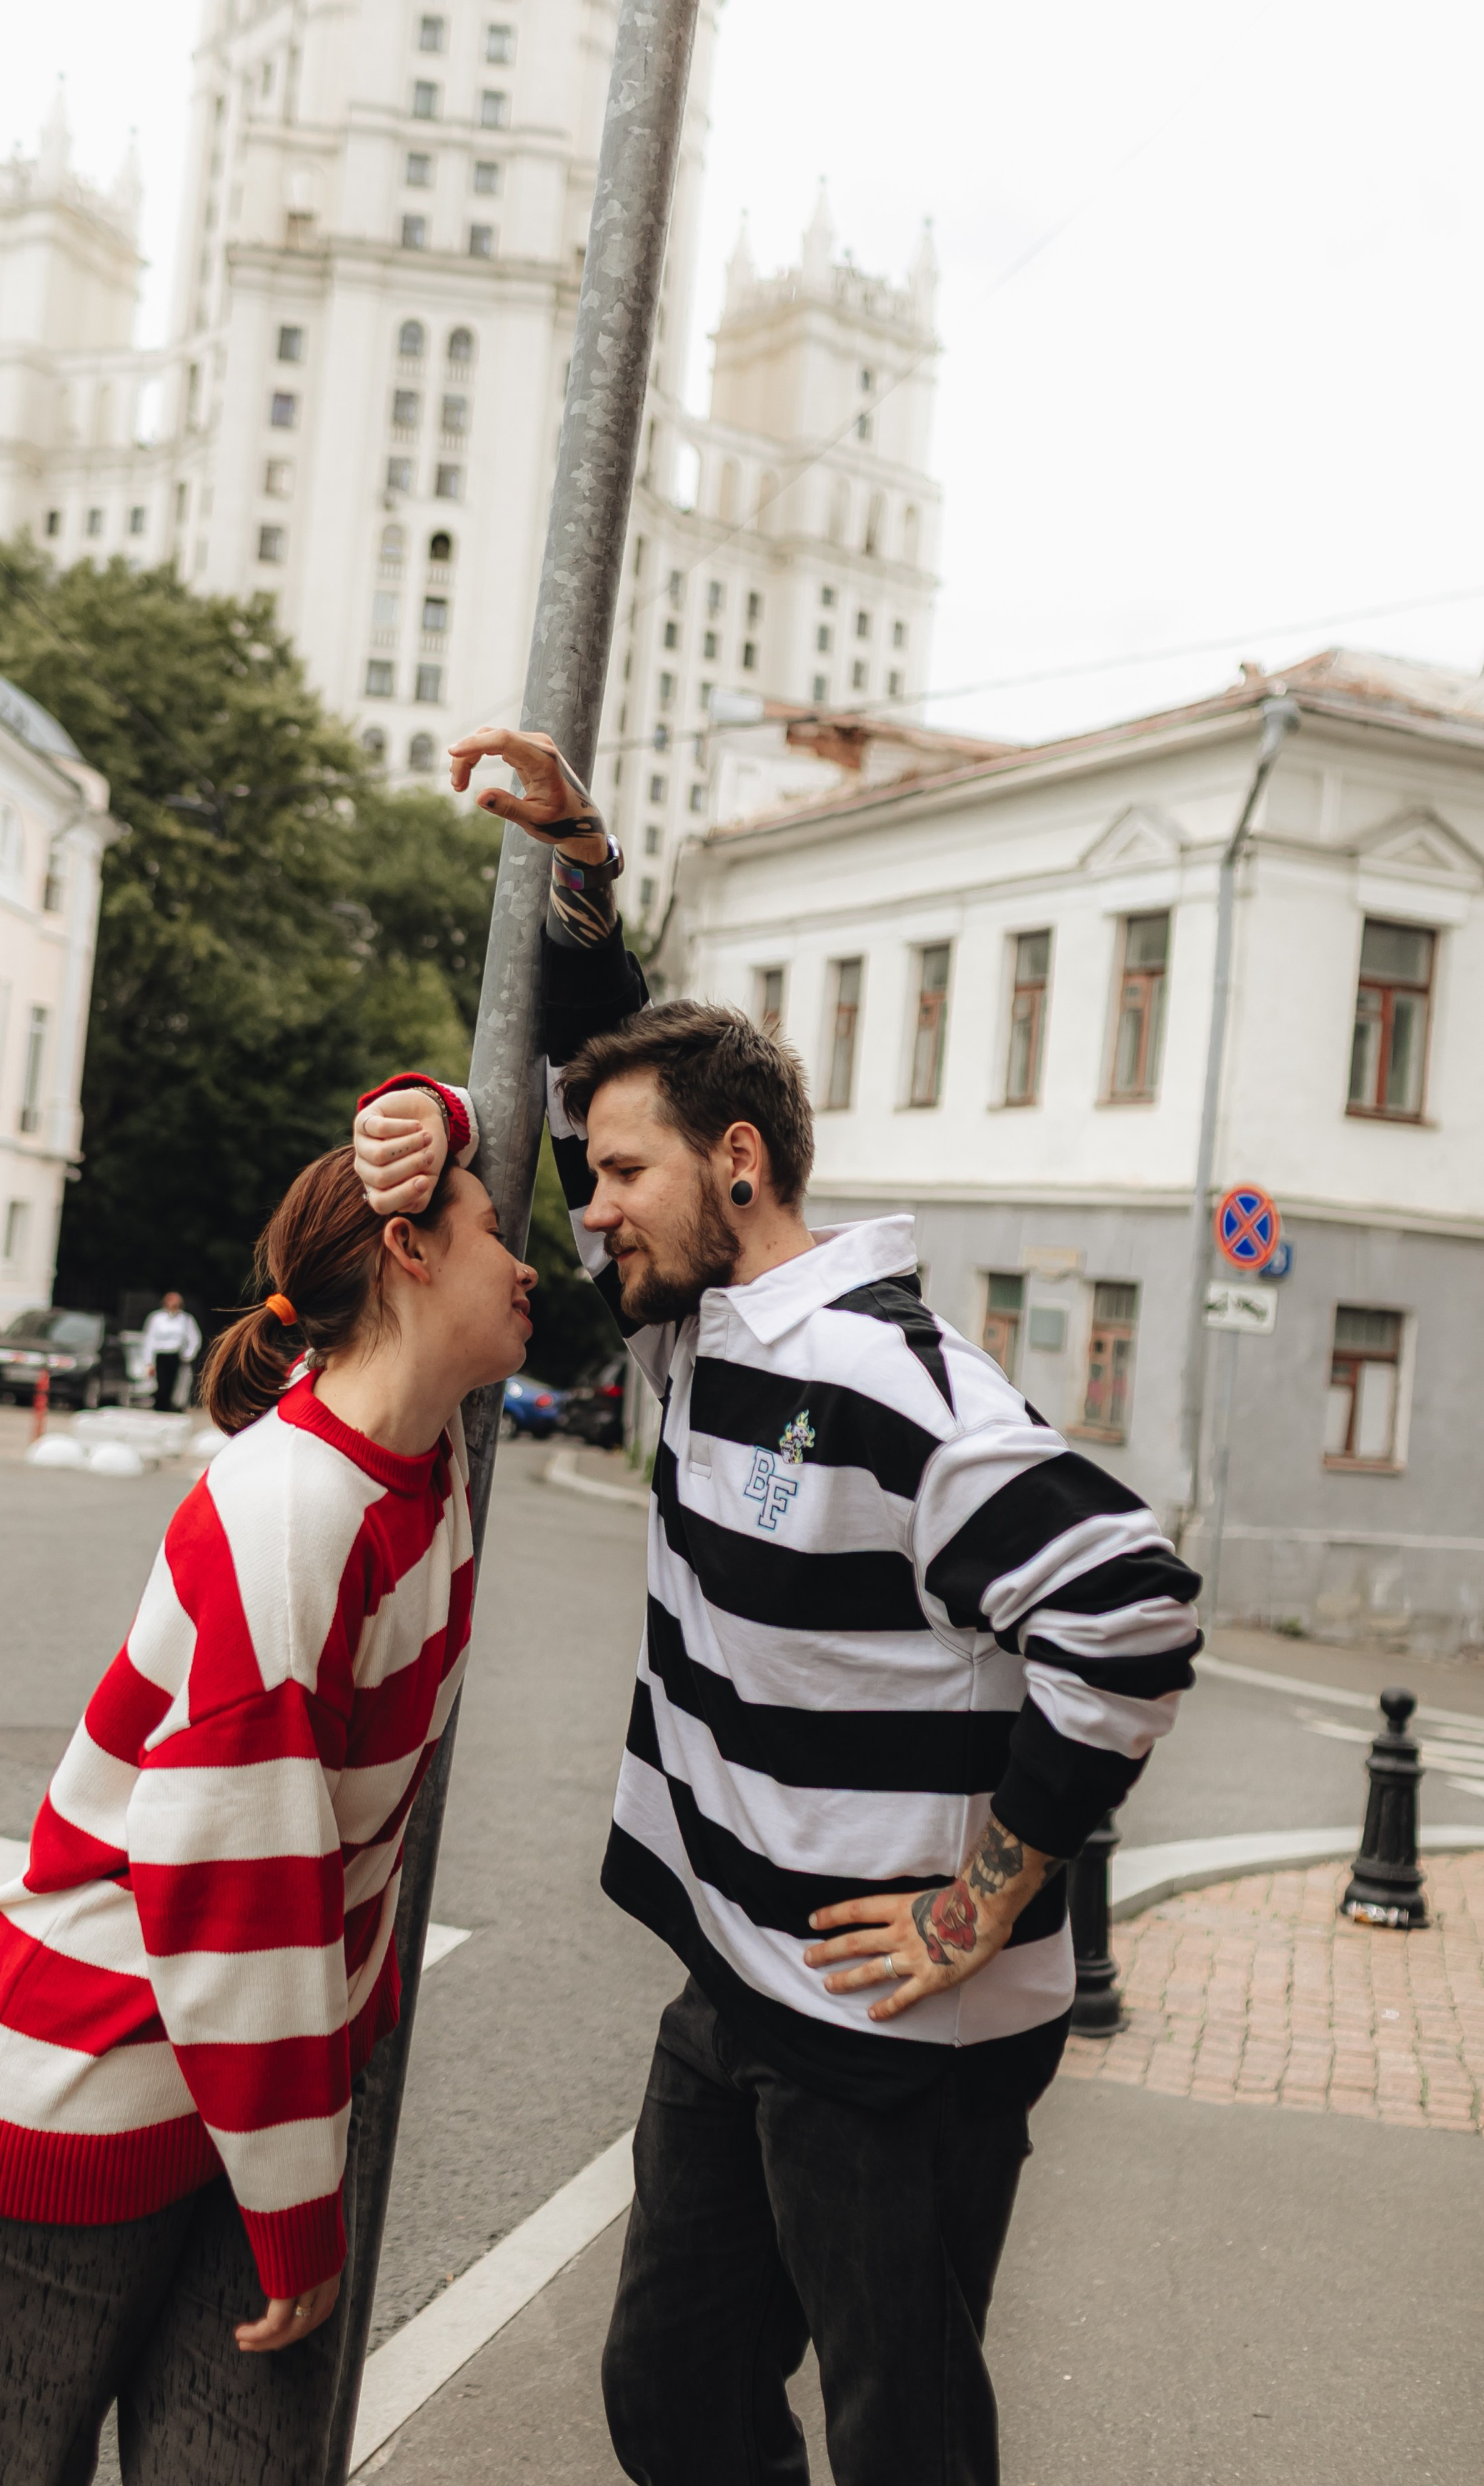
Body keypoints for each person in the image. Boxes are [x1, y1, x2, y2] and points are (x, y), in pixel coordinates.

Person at [355, 727, 1202, 2486]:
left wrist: (981, 1904)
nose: (588, 1212)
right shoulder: (693, 1335)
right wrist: (579, 862)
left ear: (738, 1166)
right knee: (670, 2392)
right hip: (738, 1989)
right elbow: (617, 1057)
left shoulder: (889, 1384)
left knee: (899, 2428)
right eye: (585, 1180)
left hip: (899, 2040)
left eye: (619, 1177)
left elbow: (1123, 1605)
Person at [0, 1085, 532, 2486]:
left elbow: (536, 1036)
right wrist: (305, 2209)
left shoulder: (424, 1466)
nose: (528, 1260)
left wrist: (431, 1112)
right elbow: (224, 1882)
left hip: (252, 2088)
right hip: (86, 2087)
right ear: (414, 1256)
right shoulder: (293, 1508)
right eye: (495, 1229)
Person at [139, 1290, 201, 1412]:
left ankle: (172, 1406)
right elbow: (149, 1339)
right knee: (160, 1383)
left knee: (175, 1383)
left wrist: (189, 1354)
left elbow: (194, 1338)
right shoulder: (156, 1318)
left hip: (175, 1355)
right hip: (160, 1355)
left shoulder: (186, 1319)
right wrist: (148, 1360)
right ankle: (160, 1406)